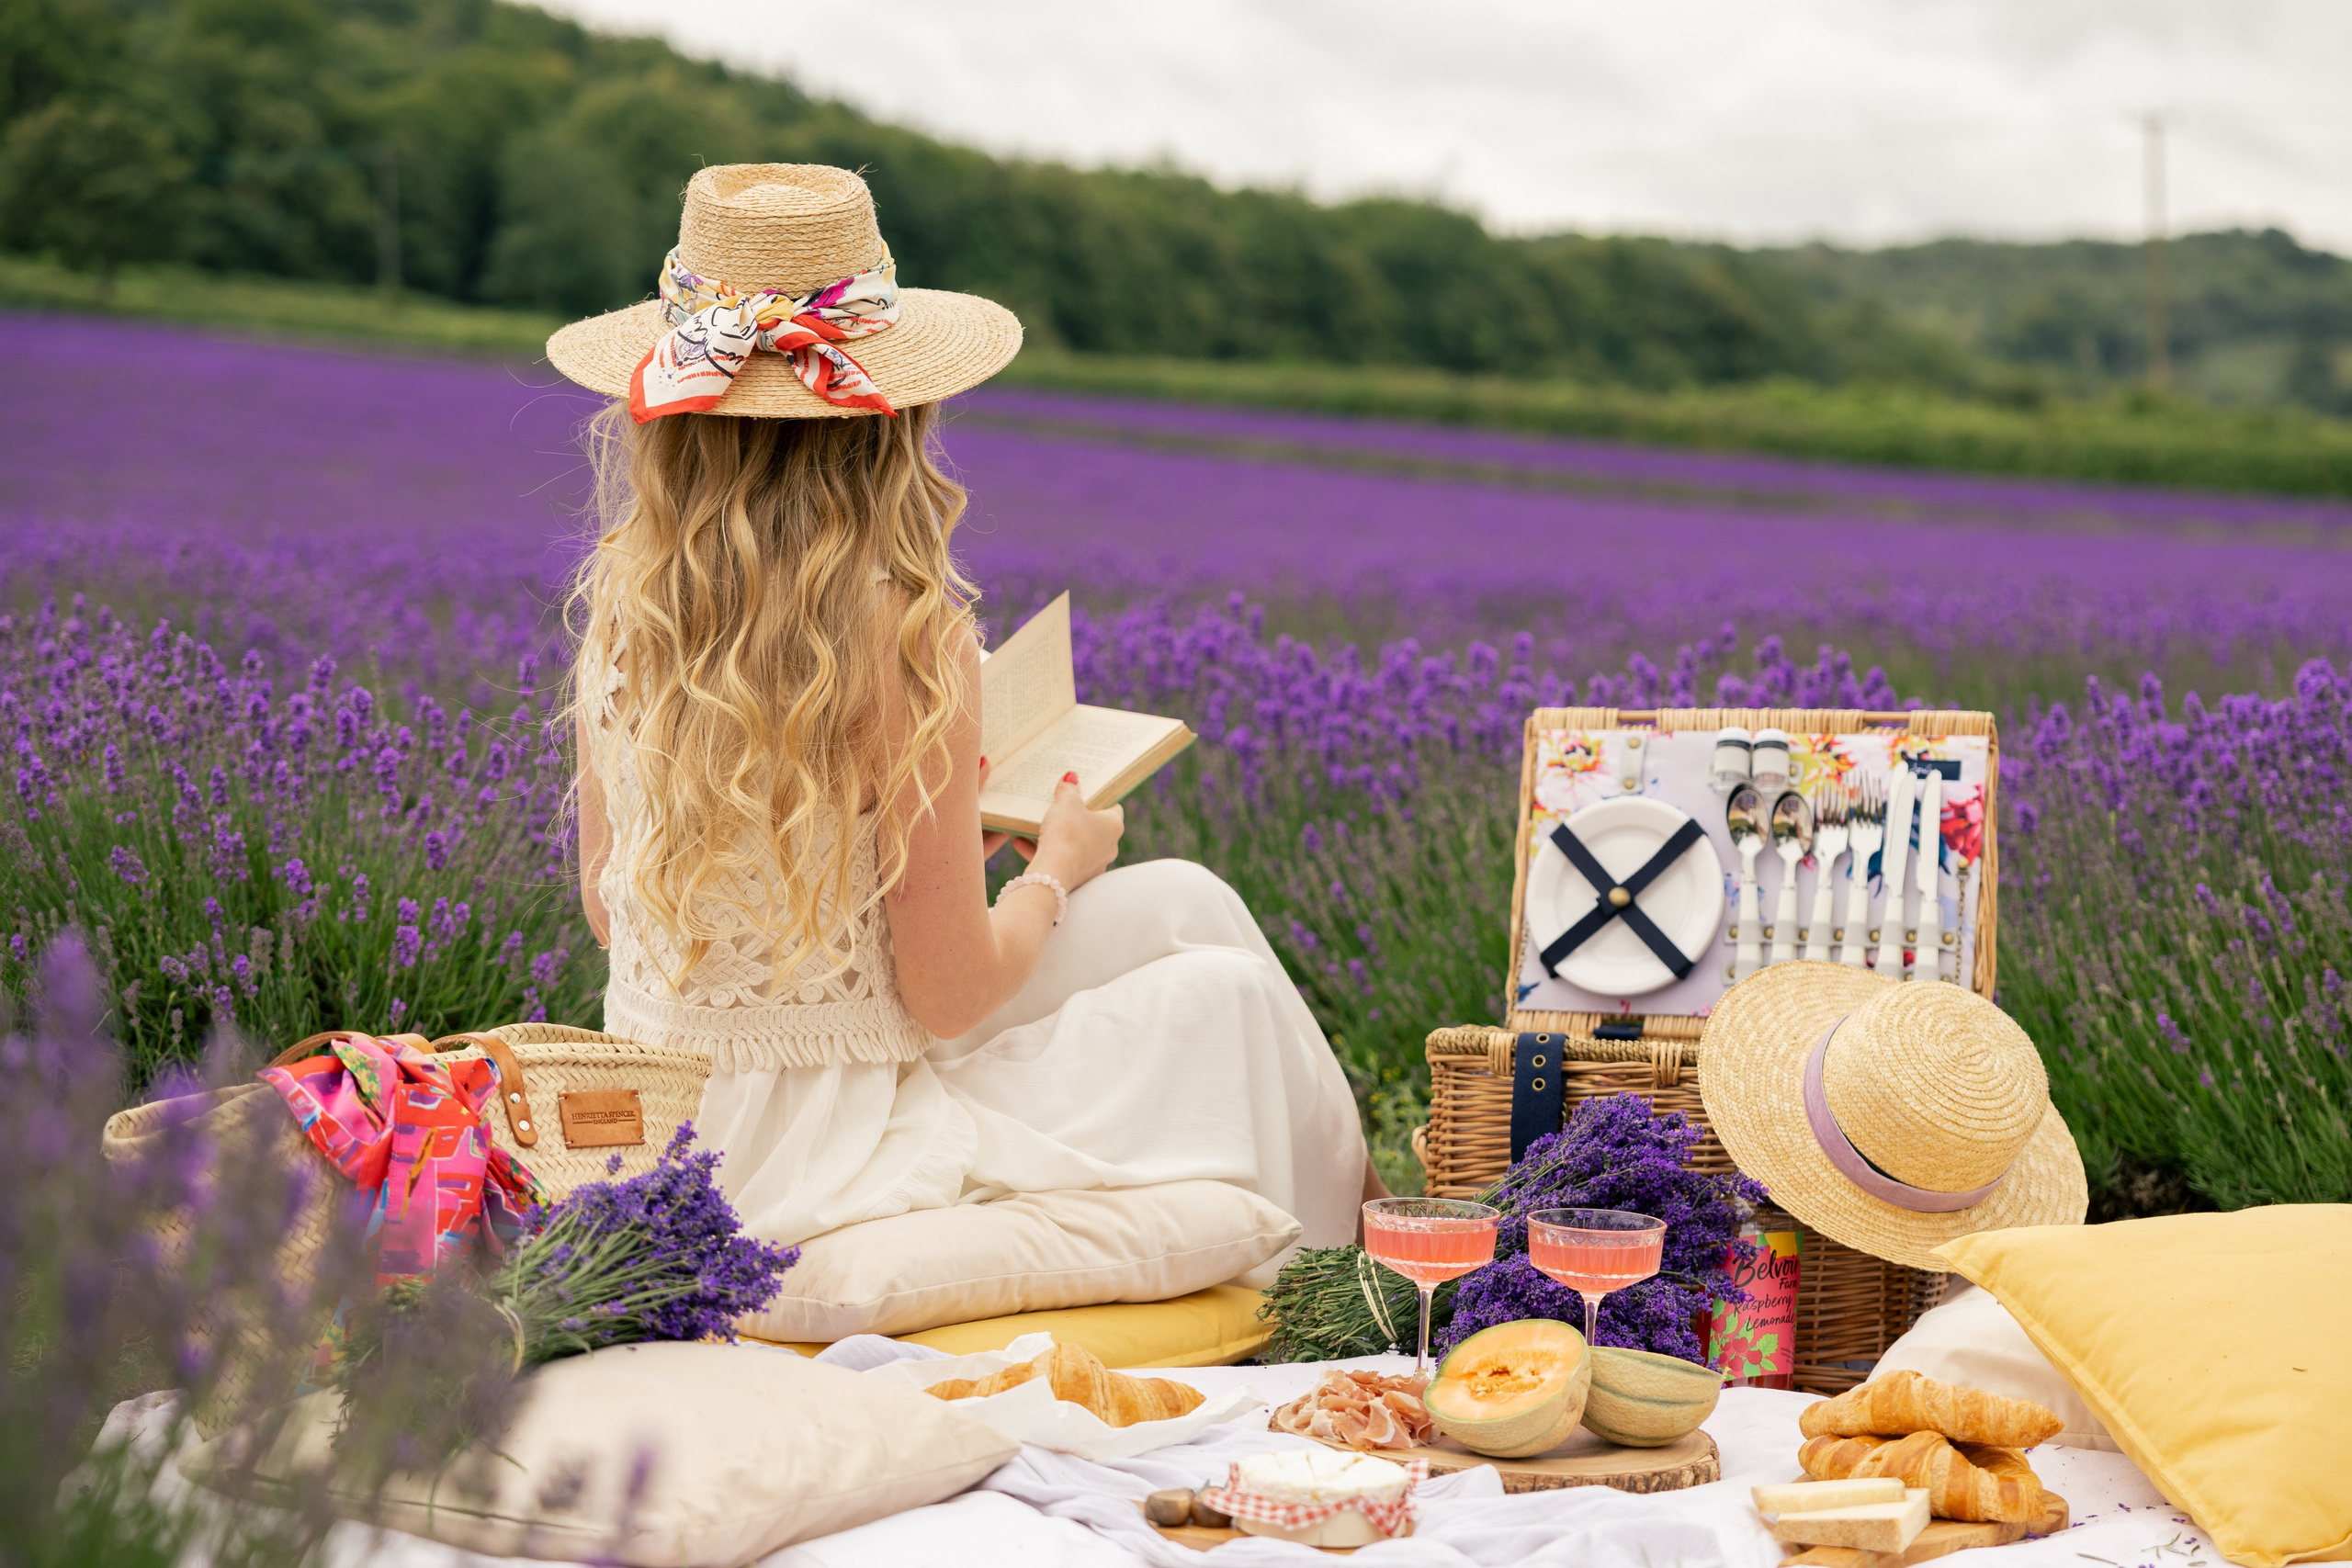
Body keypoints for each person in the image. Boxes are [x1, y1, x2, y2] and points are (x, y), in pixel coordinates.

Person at [545, 163, 1370, 1268]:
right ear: (889, 420)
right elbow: (947, 997)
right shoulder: (907, 636)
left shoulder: (625, 606)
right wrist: (1051, 870)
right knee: (1228, 1001)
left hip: (678, 1115)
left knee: (1187, 902)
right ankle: (1360, 1283)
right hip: (830, 1146)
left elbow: (617, 913)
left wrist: (902, 848)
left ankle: (1369, 1248)